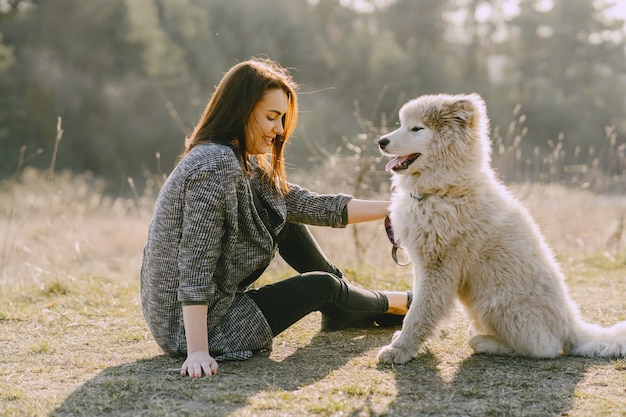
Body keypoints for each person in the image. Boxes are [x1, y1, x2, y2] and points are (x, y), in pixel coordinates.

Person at [140, 58, 411, 379]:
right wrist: (198, 350)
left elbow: (309, 205)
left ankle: (345, 306)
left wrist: (397, 206)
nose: (280, 130)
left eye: (282, 119)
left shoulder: (239, 159)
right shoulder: (214, 167)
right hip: (196, 328)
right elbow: (195, 262)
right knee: (321, 286)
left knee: (284, 213)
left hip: (206, 312)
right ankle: (400, 302)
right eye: (271, 117)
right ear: (241, 110)